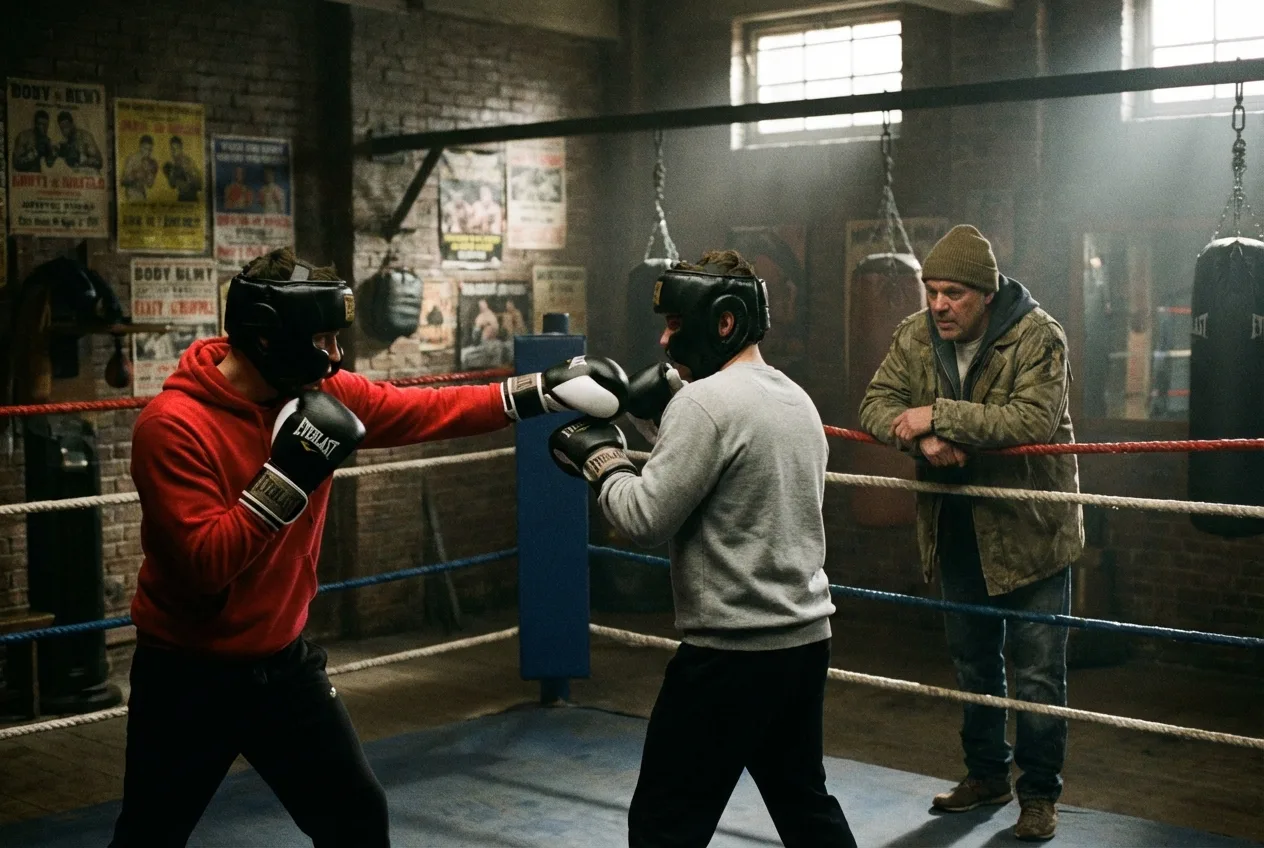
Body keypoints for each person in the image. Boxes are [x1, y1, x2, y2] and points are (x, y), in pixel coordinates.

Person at [110, 246, 630, 847]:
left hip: (282, 666)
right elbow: (205, 567)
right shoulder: (172, 427)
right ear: (270, 338)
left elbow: (424, 408)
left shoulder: (314, 394)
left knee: (357, 818)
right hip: (187, 676)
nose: (335, 358)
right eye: (323, 340)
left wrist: (540, 390)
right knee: (148, 837)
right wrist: (285, 479)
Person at [550, 250, 856, 848]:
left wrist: (601, 460)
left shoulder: (702, 405)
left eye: (675, 325)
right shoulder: (796, 399)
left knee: (665, 822)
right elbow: (718, 468)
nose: (665, 341)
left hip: (729, 656)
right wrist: (647, 416)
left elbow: (644, 516)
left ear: (722, 322)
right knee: (803, 804)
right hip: (802, 643)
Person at [858, 225, 1083, 842]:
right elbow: (876, 402)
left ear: (985, 294)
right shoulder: (915, 334)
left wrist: (938, 413)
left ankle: (1038, 794)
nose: (938, 305)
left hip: (1031, 530)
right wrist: (921, 438)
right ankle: (985, 775)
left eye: (953, 293)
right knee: (974, 664)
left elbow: (1032, 418)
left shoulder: (1039, 335)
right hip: (958, 526)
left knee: (1038, 675)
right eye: (932, 291)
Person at [162, 136, 203, 202]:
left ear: (181, 149)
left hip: (192, 198)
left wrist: (189, 174)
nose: (174, 151)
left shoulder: (188, 162)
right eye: (172, 149)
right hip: (181, 198)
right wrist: (169, 173)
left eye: (176, 148)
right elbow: (172, 185)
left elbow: (199, 186)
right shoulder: (172, 166)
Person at [120, 135, 159, 201]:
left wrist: (149, 172)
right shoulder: (132, 159)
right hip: (131, 194)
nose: (148, 152)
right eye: (145, 149)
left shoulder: (152, 163)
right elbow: (123, 181)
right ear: (140, 147)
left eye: (150, 150)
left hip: (142, 195)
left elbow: (150, 185)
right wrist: (135, 175)